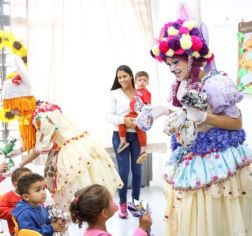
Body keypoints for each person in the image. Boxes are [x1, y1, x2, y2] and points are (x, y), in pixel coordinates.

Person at [148, 19, 252, 236]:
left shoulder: (215, 83)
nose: (172, 69)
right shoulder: (182, 84)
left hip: (216, 163)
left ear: (192, 58)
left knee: (216, 219)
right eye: (169, 63)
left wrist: (204, 116)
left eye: (176, 62)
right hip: (190, 159)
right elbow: (188, 117)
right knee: (193, 219)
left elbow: (237, 122)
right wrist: (165, 111)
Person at [1, 55, 123, 211]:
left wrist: (20, 165)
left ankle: (91, 215)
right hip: (74, 145)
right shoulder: (40, 108)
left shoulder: (40, 117)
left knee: (77, 190)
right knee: (80, 189)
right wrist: (16, 151)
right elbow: (35, 142)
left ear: (23, 101)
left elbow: (39, 148)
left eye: (15, 106)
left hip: (69, 150)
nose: (14, 111)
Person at [106, 65, 144, 219]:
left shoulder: (140, 93)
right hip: (119, 136)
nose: (122, 79)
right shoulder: (114, 94)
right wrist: (124, 120)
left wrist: (142, 120)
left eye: (124, 76)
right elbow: (108, 116)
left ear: (131, 76)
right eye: (119, 77)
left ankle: (135, 202)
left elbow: (146, 111)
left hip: (137, 136)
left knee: (137, 171)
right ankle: (122, 203)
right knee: (123, 171)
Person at [69, 184, 152, 236]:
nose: (114, 202)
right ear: (104, 212)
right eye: (111, 200)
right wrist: (142, 228)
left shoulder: (89, 232)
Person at [118, 71, 151, 164]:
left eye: (145, 80)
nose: (142, 82)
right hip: (132, 113)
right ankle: (123, 142)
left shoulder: (146, 92)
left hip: (140, 114)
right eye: (140, 80)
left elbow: (148, 104)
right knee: (122, 121)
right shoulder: (134, 92)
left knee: (141, 131)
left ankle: (143, 151)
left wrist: (144, 114)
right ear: (135, 81)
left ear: (147, 82)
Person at [0, 167, 32, 235]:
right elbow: (1, 211)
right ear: (15, 185)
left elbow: (41, 207)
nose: (30, 183)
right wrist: (17, 211)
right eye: (26, 181)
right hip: (17, 231)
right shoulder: (9, 196)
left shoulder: (33, 194)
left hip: (34, 227)